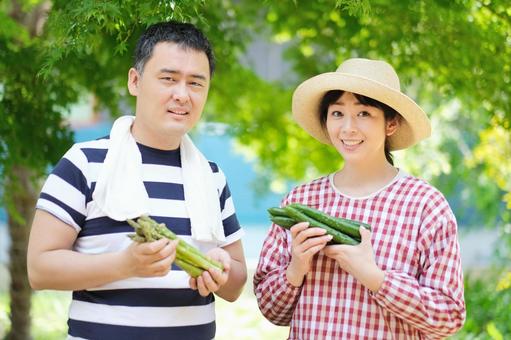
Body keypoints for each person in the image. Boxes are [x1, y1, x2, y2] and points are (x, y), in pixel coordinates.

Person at [27, 21, 247, 339]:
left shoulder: (212, 177)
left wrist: (221, 270)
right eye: (168, 79)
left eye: (196, 83)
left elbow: (236, 284)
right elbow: (39, 269)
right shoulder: (85, 163)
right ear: (135, 80)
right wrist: (125, 265)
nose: (182, 95)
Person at [253, 58, 465, 339]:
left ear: (391, 123)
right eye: (337, 113)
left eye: (364, 113)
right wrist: (295, 268)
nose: (348, 128)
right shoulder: (301, 199)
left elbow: (448, 316)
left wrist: (375, 278)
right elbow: (271, 311)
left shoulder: (426, 205)